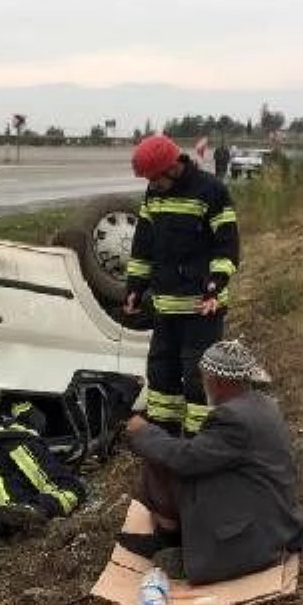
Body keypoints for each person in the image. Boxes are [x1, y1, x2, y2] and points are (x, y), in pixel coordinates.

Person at [119, 340, 303, 584]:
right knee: (164, 451)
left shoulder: (232, 418)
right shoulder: (261, 403)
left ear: (217, 382)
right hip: (273, 513)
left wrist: (142, 432)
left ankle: (172, 541)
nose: (203, 384)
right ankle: (173, 535)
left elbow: (185, 460)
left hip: (257, 533)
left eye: (203, 378)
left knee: (161, 460)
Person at [125, 133, 240, 437]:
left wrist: (215, 285)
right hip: (165, 307)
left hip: (202, 308)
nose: (151, 184)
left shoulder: (211, 191)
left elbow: (227, 245)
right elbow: (143, 244)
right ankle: (164, 432)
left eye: (154, 177)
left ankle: (200, 439)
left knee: (197, 377)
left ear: (172, 167)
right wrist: (135, 286)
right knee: (161, 372)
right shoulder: (153, 194)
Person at [0, 401, 89, 547]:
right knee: (71, 488)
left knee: (12, 494)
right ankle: (26, 513)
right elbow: (53, 479)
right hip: (15, 502)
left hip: (1, 498)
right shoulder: (20, 440)